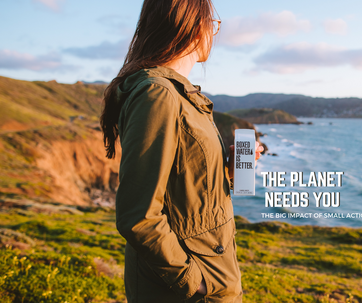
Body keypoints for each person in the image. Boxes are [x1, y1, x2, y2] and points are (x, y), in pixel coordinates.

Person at [99, 0, 264, 302]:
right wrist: (195, 282)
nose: (213, 33)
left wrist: (227, 168)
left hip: (211, 273)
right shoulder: (158, 94)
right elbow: (139, 215)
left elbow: (186, 190)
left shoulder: (178, 94)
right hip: (188, 289)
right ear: (191, 26)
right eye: (212, 24)